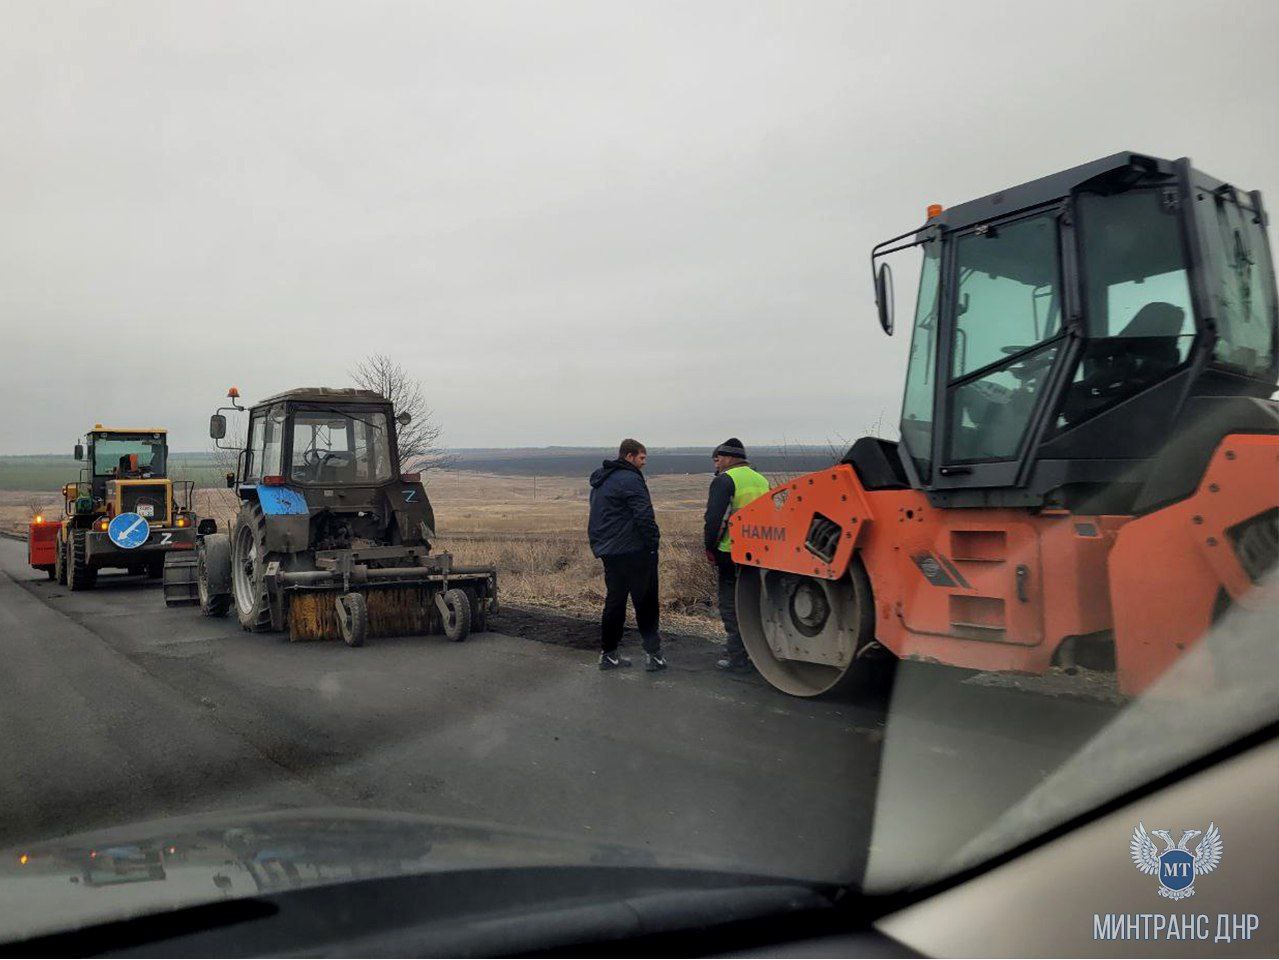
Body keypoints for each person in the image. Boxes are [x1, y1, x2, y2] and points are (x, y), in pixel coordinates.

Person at [587, 439, 666, 672]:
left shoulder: (603, 479)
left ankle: (609, 654)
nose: (644, 463)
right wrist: (653, 544)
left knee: (615, 601)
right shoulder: (631, 479)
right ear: (629, 456)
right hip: (634, 550)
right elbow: (644, 515)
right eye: (642, 458)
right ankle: (655, 656)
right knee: (646, 603)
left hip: (610, 551)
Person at [703, 438, 770, 671]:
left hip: (730, 552)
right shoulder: (761, 480)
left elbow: (715, 520)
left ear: (730, 458)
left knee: (731, 605)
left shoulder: (725, 481)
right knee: (752, 604)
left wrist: (709, 547)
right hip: (760, 553)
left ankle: (737, 657)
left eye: (718, 458)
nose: (716, 462)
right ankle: (757, 654)